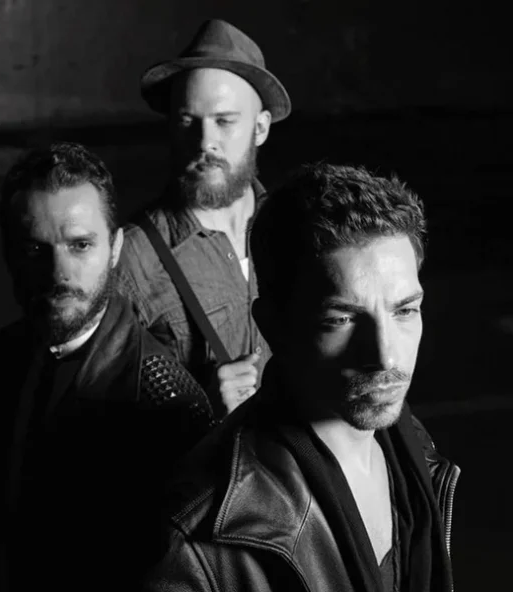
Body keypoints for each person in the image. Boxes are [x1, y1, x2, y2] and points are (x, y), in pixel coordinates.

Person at [142, 163, 460, 592]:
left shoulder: (414, 449)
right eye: (342, 319)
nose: (385, 356)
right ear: (273, 325)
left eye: (404, 310)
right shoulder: (199, 542)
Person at [0, 142, 217, 592]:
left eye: (81, 245)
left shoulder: (165, 399)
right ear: (9, 254)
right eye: (34, 248)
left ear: (115, 248)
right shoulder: (6, 354)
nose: (59, 273)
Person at [118, 19, 292, 418]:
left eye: (224, 121)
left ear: (260, 128)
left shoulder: (297, 229)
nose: (205, 141)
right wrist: (201, 410)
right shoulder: (132, 259)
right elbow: (107, 425)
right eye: (187, 121)